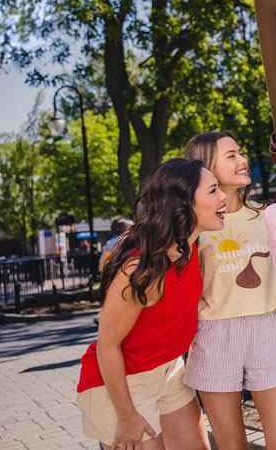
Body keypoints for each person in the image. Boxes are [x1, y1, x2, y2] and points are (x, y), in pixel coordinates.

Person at [75, 158, 225, 450]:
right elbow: (107, 345)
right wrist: (127, 414)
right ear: (184, 205)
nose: (222, 197)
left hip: (168, 370)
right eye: (213, 191)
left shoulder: (190, 248)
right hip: (121, 382)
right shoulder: (141, 270)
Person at [184, 132, 276, 450]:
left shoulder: (268, 217)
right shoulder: (192, 229)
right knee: (232, 446)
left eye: (241, 152)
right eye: (231, 155)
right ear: (204, 167)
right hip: (214, 336)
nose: (242, 160)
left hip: (268, 331)